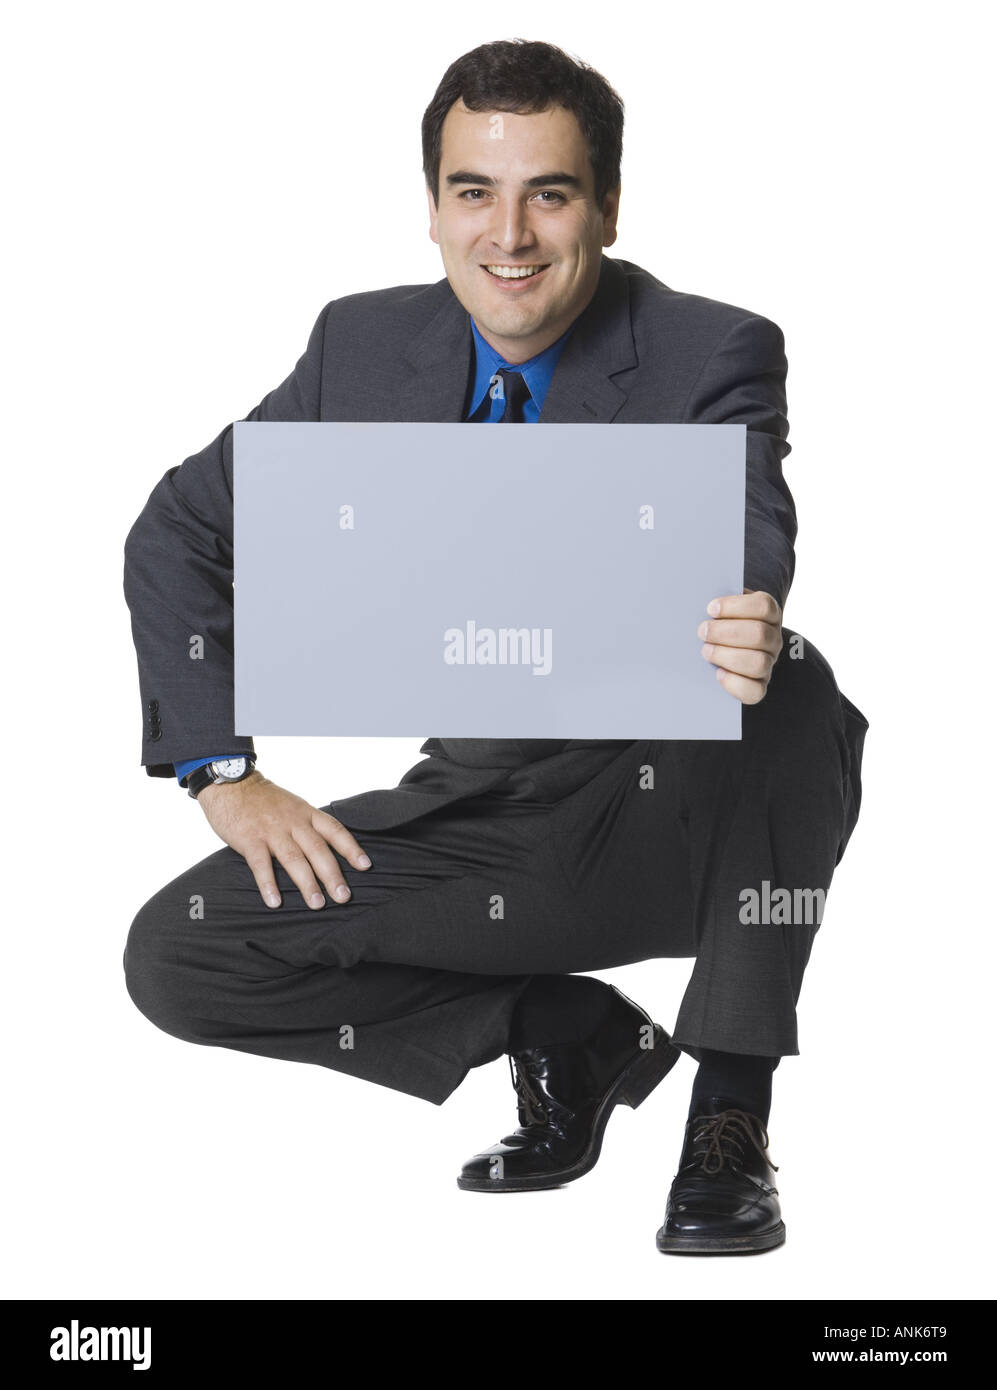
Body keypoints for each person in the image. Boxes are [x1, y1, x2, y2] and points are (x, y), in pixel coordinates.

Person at [122, 38, 869, 1255]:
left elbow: (744, 504)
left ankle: (728, 1114)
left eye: (550, 194)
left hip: (672, 807)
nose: (508, 234)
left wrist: (743, 600)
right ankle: (560, 1031)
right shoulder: (357, 350)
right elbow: (177, 534)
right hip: (484, 814)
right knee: (180, 956)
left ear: (607, 208)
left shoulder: (711, 348)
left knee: (789, 684)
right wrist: (224, 774)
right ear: (432, 209)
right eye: (475, 191)